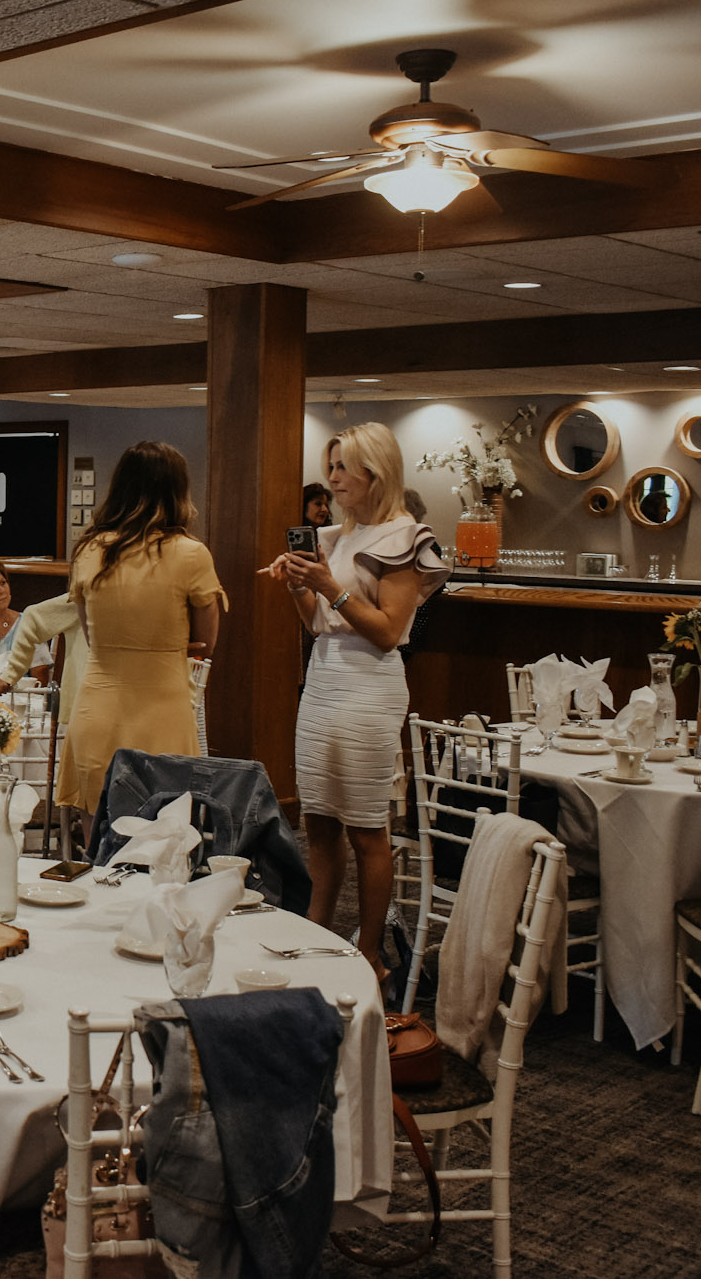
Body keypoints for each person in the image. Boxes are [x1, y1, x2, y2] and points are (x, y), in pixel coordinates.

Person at [263, 421, 450, 986]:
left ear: (377, 472)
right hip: (324, 678)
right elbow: (319, 624)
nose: (333, 477)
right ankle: (316, 932)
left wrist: (328, 585)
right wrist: (300, 585)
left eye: (344, 466)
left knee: (366, 827)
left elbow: (388, 631)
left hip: (370, 685)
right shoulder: (337, 536)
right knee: (318, 820)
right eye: (332, 466)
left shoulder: (404, 537)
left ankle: (369, 953)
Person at [56, 442, 224, 815]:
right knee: (166, 825)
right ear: (178, 491)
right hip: (164, 706)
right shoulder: (191, 553)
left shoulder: (89, 550)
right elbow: (205, 643)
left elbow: (91, 635)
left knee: (99, 819)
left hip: (98, 704)